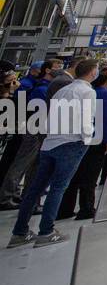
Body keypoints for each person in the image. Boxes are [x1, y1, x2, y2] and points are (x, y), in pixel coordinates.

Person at [7, 58, 98, 248]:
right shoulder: (87, 91)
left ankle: (19, 232)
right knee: (57, 188)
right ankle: (46, 232)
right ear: (91, 72)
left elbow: (49, 116)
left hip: (50, 143)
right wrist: (87, 139)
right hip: (71, 143)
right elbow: (86, 119)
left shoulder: (62, 90)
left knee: (34, 190)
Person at [57, 67, 107, 221]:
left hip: (79, 136)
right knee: (90, 176)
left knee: (75, 174)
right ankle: (87, 208)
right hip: (97, 138)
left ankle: (65, 209)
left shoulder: (84, 92)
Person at [0, 62, 56, 209]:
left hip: (21, 127)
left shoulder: (31, 85)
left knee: (19, 163)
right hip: (25, 128)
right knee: (18, 164)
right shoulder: (28, 85)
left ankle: (12, 193)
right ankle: (6, 196)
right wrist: (10, 93)